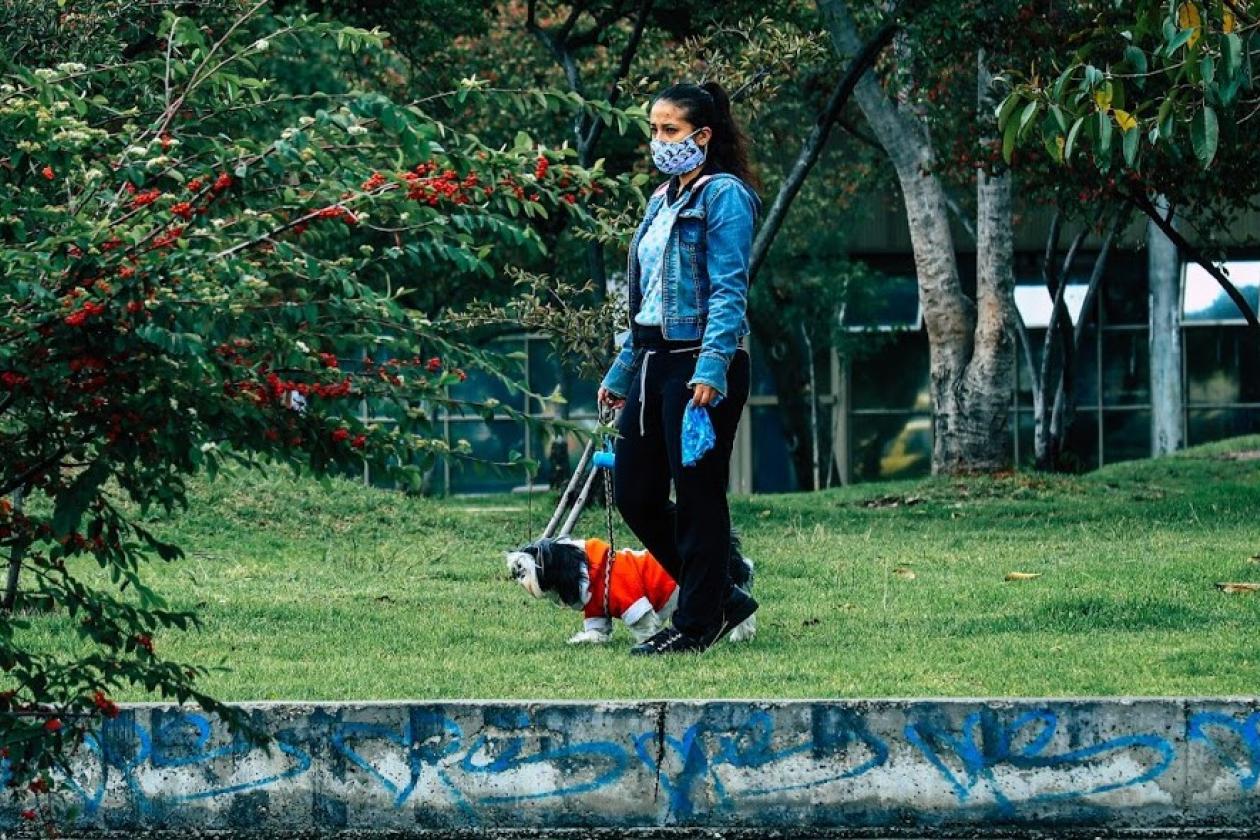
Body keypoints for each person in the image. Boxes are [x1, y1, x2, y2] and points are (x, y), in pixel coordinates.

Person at [596, 80, 761, 655]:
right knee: (635, 492)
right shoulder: (659, 201)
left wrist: (712, 367)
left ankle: (698, 622)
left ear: (703, 135)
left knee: (698, 494)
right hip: (650, 361)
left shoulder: (724, 197)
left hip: (699, 363)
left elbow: (729, 290)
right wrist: (621, 373)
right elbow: (645, 299)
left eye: (670, 130)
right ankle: (721, 588)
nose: (659, 141)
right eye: (654, 129)